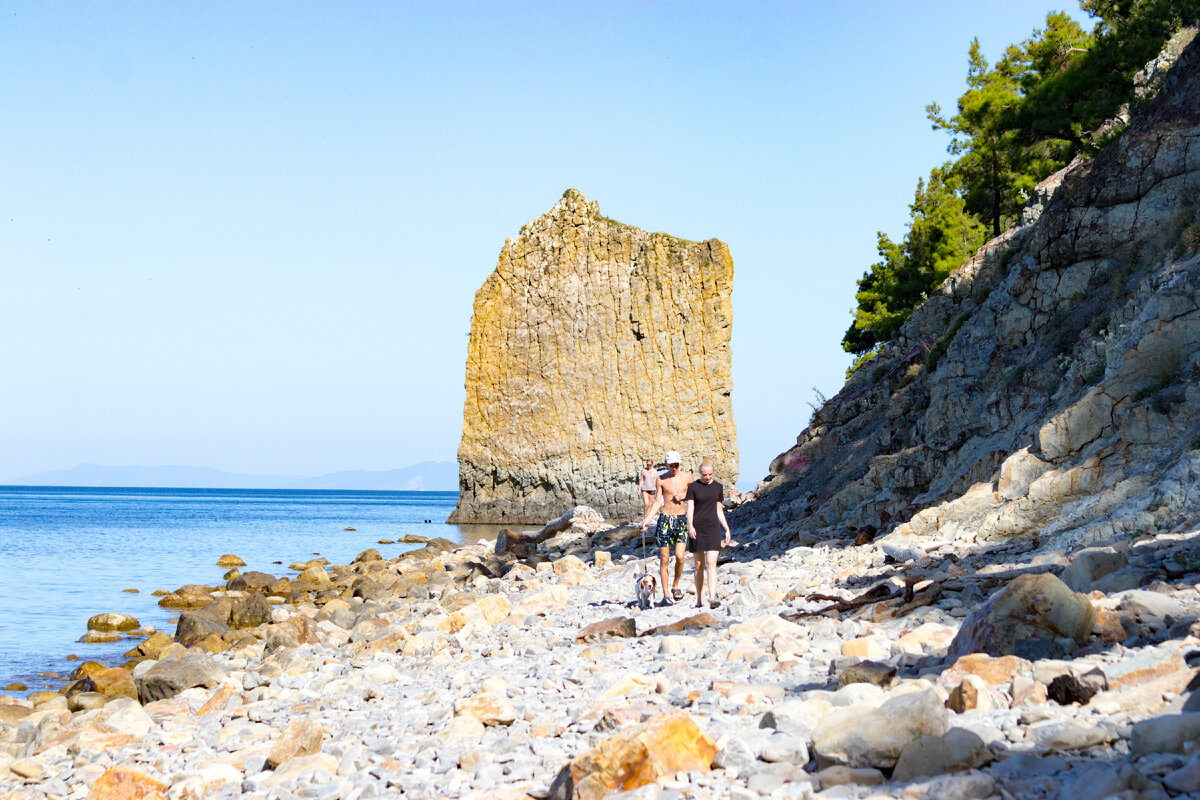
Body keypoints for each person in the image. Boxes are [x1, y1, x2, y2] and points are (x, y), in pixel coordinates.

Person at [641, 450, 691, 604]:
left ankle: (675, 584)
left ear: (680, 463)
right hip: (665, 521)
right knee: (664, 559)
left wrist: (684, 497)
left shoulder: (687, 477)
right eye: (671, 465)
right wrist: (647, 520)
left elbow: (694, 496)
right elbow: (657, 502)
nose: (674, 468)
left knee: (680, 557)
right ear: (666, 464)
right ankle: (666, 595)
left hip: (681, 520)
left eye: (676, 465)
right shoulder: (660, 479)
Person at [686, 457, 731, 609]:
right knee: (699, 565)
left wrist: (726, 528)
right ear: (700, 473)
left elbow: (719, 510)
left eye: (710, 474)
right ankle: (699, 599)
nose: (708, 477)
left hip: (713, 529)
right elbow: (690, 508)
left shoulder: (718, 487)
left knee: (711, 564)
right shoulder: (693, 487)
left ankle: (712, 597)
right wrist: (690, 525)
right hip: (697, 529)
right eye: (705, 475)